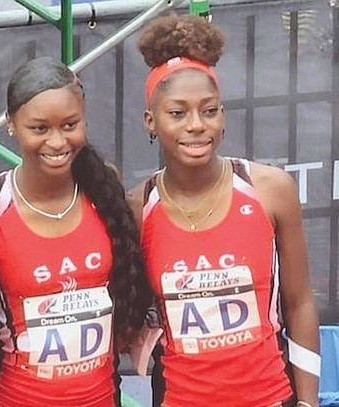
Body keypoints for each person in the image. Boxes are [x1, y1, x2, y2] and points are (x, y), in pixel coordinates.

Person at [128, 14, 320, 407]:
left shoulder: (269, 189)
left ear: (223, 116)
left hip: (270, 397)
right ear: (151, 122)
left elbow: (299, 301)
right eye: (177, 113)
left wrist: (307, 402)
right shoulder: (137, 207)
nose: (196, 125)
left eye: (209, 110)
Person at [0, 57, 153, 407]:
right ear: (10, 123)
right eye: (39, 128)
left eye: (70, 125)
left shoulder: (103, 188)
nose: (57, 142)